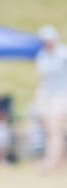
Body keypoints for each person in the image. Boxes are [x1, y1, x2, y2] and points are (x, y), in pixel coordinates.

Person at [34, 25, 67, 172]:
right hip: (49, 99)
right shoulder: (42, 56)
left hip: (61, 97)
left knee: (54, 131)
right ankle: (55, 160)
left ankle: (52, 162)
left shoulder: (63, 54)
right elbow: (44, 82)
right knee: (51, 132)